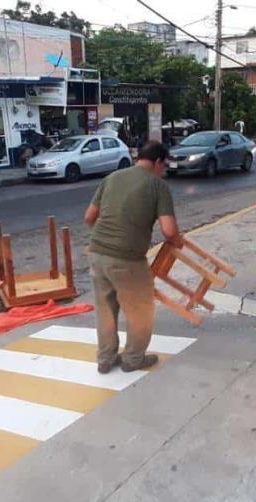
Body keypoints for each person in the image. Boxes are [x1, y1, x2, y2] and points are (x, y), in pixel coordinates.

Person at [84, 141, 182, 374]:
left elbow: (89, 217)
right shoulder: (157, 185)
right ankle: (132, 359)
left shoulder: (112, 177)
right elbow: (169, 231)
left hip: (97, 253)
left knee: (105, 308)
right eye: (163, 165)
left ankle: (105, 359)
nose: (163, 170)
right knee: (140, 309)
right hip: (127, 259)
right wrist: (178, 241)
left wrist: (107, 238)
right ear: (158, 161)